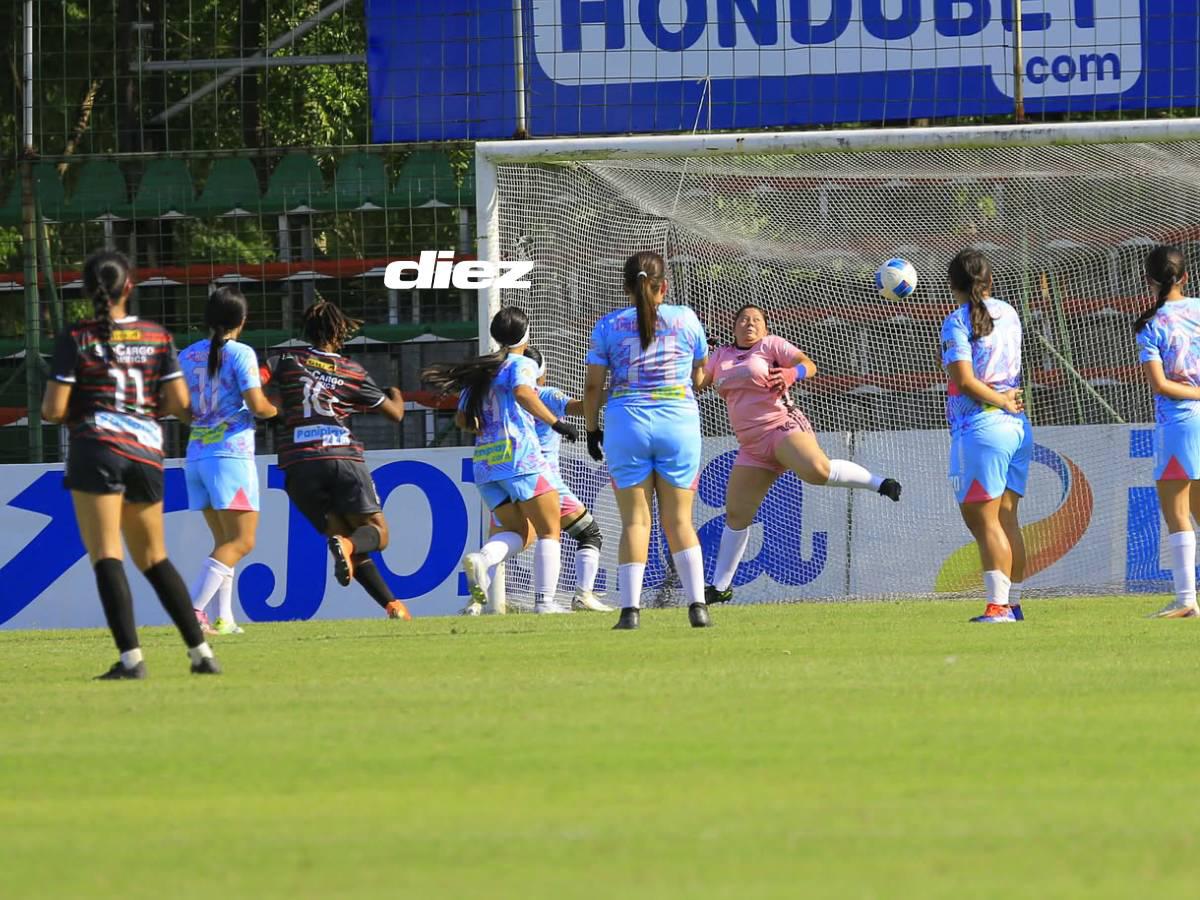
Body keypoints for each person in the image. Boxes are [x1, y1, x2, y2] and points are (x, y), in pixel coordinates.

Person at [41, 249, 221, 678]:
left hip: (96, 448)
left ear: (87, 292)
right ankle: (201, 655)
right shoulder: (156, 337)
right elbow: (180, 405)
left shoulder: (77, 337)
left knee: (107, 554)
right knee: (155, 557)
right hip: (145, 450)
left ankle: (131, 660)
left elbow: (52, 409)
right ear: (129, 287)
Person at [697, 304, 902, 604]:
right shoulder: (720, 356)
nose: (749, 323)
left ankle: (879, 482)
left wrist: (793, 372)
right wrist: (699, 353)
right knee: (737, 515)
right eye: (743, 319)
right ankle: (720, 587)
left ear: (765, 328)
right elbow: (698, 384)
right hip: (752, 447)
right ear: (733, 327)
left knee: (817, 472)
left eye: (756, 320)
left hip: (782, 426)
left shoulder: (771, 345)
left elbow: (809, 364)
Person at [584, 250, 710, 630]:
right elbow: (701, 374)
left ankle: (630, 612)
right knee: (679, 522)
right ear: (664, 286)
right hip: (679, 423)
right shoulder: (686, 318)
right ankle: (698, 607)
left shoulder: (607, 325)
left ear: (626, 287)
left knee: (636, 523)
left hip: (627, 423)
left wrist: (592, 429)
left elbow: (593, 387)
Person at [425, 308, 579, 615]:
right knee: (550, 530)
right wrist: (555, 423)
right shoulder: (520, 363)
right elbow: (523, 392)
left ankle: (483, 559)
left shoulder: (482, 372)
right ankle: (545, 602)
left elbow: (462, 420)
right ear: (526, 334)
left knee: (519, 533)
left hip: (485, 465)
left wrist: (489, 429)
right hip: (520, 459)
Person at [266, 299, 410, 619]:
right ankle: (351, 550)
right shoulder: (351, 370)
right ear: (340, 331)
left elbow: (260, 392)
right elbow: (395, 414)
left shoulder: (284, 359)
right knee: (376, 535)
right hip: (341, 457)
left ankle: (393, 606)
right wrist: (396, 392)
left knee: (344, 538)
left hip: (298, 465)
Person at [466, 347, 611, 615]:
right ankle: (578, 596)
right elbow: (581, 407)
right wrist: (613, 390)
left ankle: (474, 601)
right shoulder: (543, 394)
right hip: (538, 475)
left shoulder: (491, 390)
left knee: (513, 536)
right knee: (586, 532)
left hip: (495, 468)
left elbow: (467, 420)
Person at [179, 288, 278, 635]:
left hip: (196, 457)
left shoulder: (187, 355)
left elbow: (179, 408)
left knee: (224, 542)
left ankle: (225, 617)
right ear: (242, 321)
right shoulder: (241, 353)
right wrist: (276, 409)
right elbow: (257, 404)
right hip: (230, 456)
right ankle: (191, 610)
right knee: (242, 542)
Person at [939, 248, 1030, 623]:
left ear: (952, 285)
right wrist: (1008, 401)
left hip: (984, 427)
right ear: (989, 280)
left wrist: (1000, 402)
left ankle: (998, 608)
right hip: (1018, 427)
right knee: (1007, 518)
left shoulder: (956, 321)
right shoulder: (1009, 312)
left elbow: (964, 380)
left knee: (983, 520)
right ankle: (1014, 603)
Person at [1134, 245, 1200, 618]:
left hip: (1179, 424)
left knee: (1177, 514)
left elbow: (1161, 385)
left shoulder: (1151, 324)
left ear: (1149, 280)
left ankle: (1186, 599)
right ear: (1186, 277)